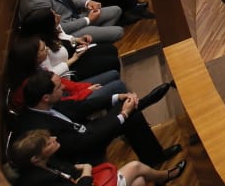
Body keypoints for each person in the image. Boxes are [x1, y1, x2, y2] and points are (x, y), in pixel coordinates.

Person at [14, 72, 179, 168]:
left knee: (128, 110)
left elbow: (80, 106)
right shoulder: (41, 129)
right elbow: (85, 143)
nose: (64, 88)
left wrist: (115, 97)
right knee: (128, 115)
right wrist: (123, 115)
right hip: (82, 154)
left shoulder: (44, 105)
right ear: (46, 97)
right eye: (59, 87)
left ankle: (155, 159)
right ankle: (154, 159)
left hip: (85, 133)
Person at [8, 129, 185, 186]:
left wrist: (83, 171)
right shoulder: (40, 181)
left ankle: (162, 177)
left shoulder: (46, 162)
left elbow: (69, 170)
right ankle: (166, 176)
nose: (54, 139)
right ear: (35, 158)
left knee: (138, 181)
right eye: (48, 143)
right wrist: (86, 169)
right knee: (135, 167)